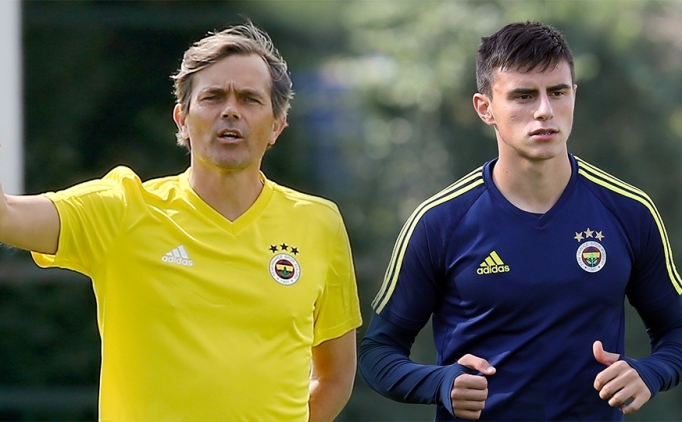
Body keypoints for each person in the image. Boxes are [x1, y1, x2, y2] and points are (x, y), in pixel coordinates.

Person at [0, 22, 362, 421]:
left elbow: (334, 375)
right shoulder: (122, 209)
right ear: (182, 119)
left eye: (249, 99)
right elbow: (7, 216)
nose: (230, 110)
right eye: (212, 97)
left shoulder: (319, 222)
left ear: (277, 125)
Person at [358, 21, 682, 421]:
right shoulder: (439, 222)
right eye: (523, 95)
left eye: (557, 92)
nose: (544, 110)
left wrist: (651, 372)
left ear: (574, 95)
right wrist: (439, 383)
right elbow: (378, 353)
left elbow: (676, 332)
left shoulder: (629, 211)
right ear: (485, 108)